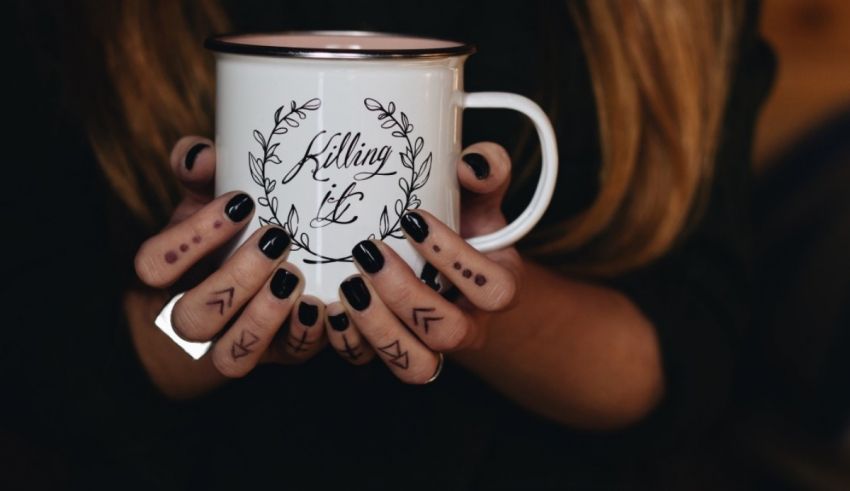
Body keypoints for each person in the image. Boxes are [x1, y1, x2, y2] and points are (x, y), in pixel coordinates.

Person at [5, 0, 774, 488]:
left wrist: (478, 303)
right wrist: (188, 323)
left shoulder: (680, 22)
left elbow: (692, 356)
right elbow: (31, 361)